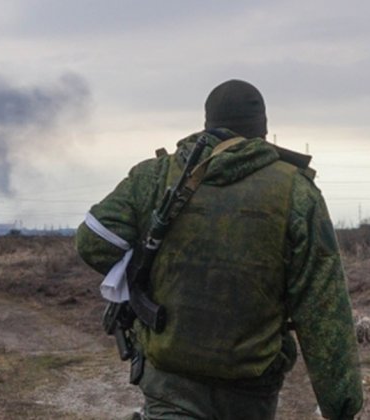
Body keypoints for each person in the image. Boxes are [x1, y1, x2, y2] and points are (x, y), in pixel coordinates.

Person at [76, 79, 364, 419]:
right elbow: (322, 308)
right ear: (263, 129)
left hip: (169, 383)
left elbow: (93, 240)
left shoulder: (156, 176)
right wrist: (340, 406)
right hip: (249, 392)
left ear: (208, 122)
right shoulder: (296, 193)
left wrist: (150, 270)